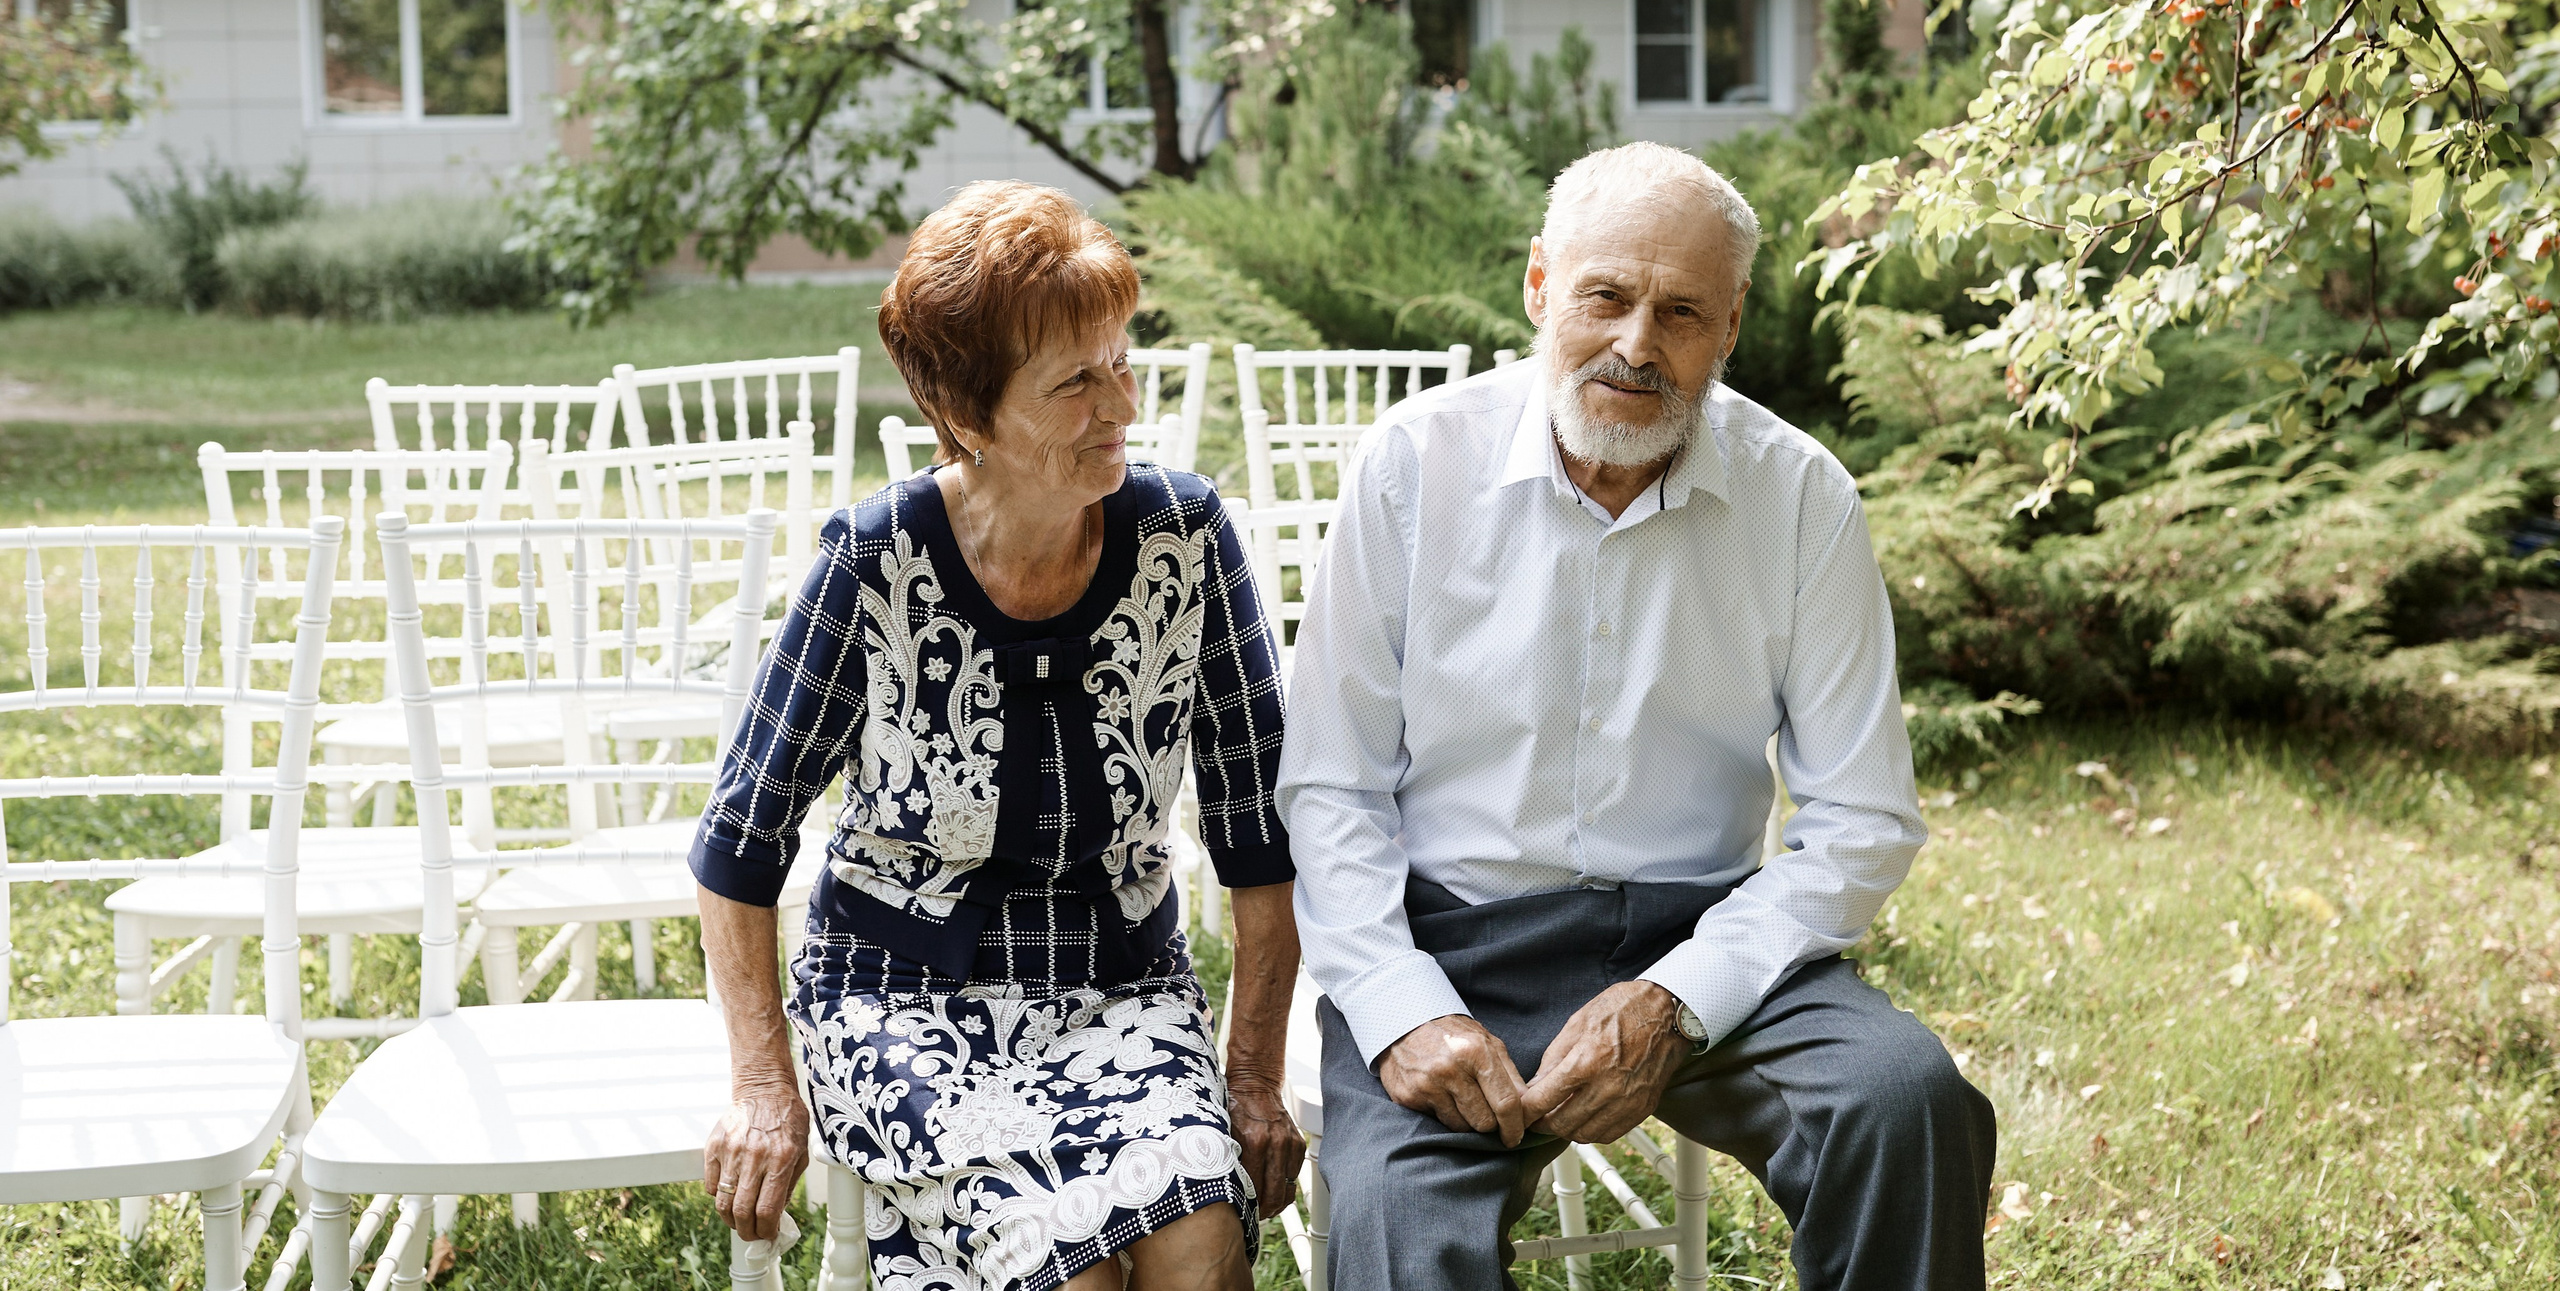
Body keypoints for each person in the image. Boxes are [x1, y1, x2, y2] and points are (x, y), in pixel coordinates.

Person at [1278, 142, 1996, 1291]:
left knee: (1905, 1102)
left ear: (1730, 327)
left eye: (1680, 312)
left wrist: (1677, 1000)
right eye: (1604, 297)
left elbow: (1863, 818)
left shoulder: (1802, 496)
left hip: (1707, 935)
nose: (1635, 344)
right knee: (1397, 1232)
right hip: (1454, 940)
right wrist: (1401, 1006)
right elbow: (1331, 786)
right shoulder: (1412, 467)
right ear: (1537, 286)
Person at [690, 181, 1302, 1291]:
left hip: (1123, 988)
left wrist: (1251, 1077)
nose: (1120, 403)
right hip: (895, 997)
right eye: (1076, 382)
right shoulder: (877, 559)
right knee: (1070, 1269)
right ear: (966, 414)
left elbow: (1261, 827)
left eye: (1122, 360)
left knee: (1198, 1242)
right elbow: (743, 836)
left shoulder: (1187, 537)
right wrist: (762, 1085)